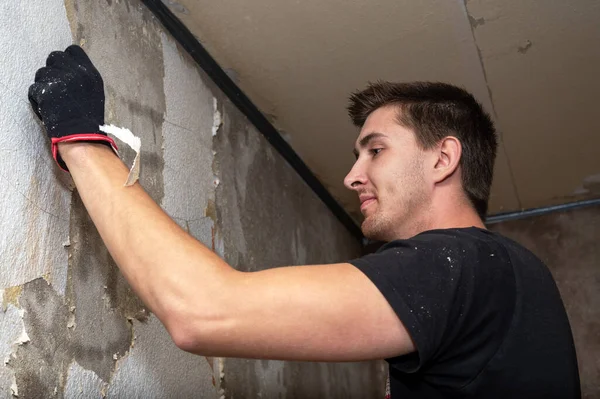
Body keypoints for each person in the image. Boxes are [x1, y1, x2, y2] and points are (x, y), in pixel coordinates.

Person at [28, 45, 580, 398]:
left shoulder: (459, 264)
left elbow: (204, 312)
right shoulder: (512, 278)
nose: (352, 176)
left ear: (443, 159)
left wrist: (80, 139)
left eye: (376, 150)